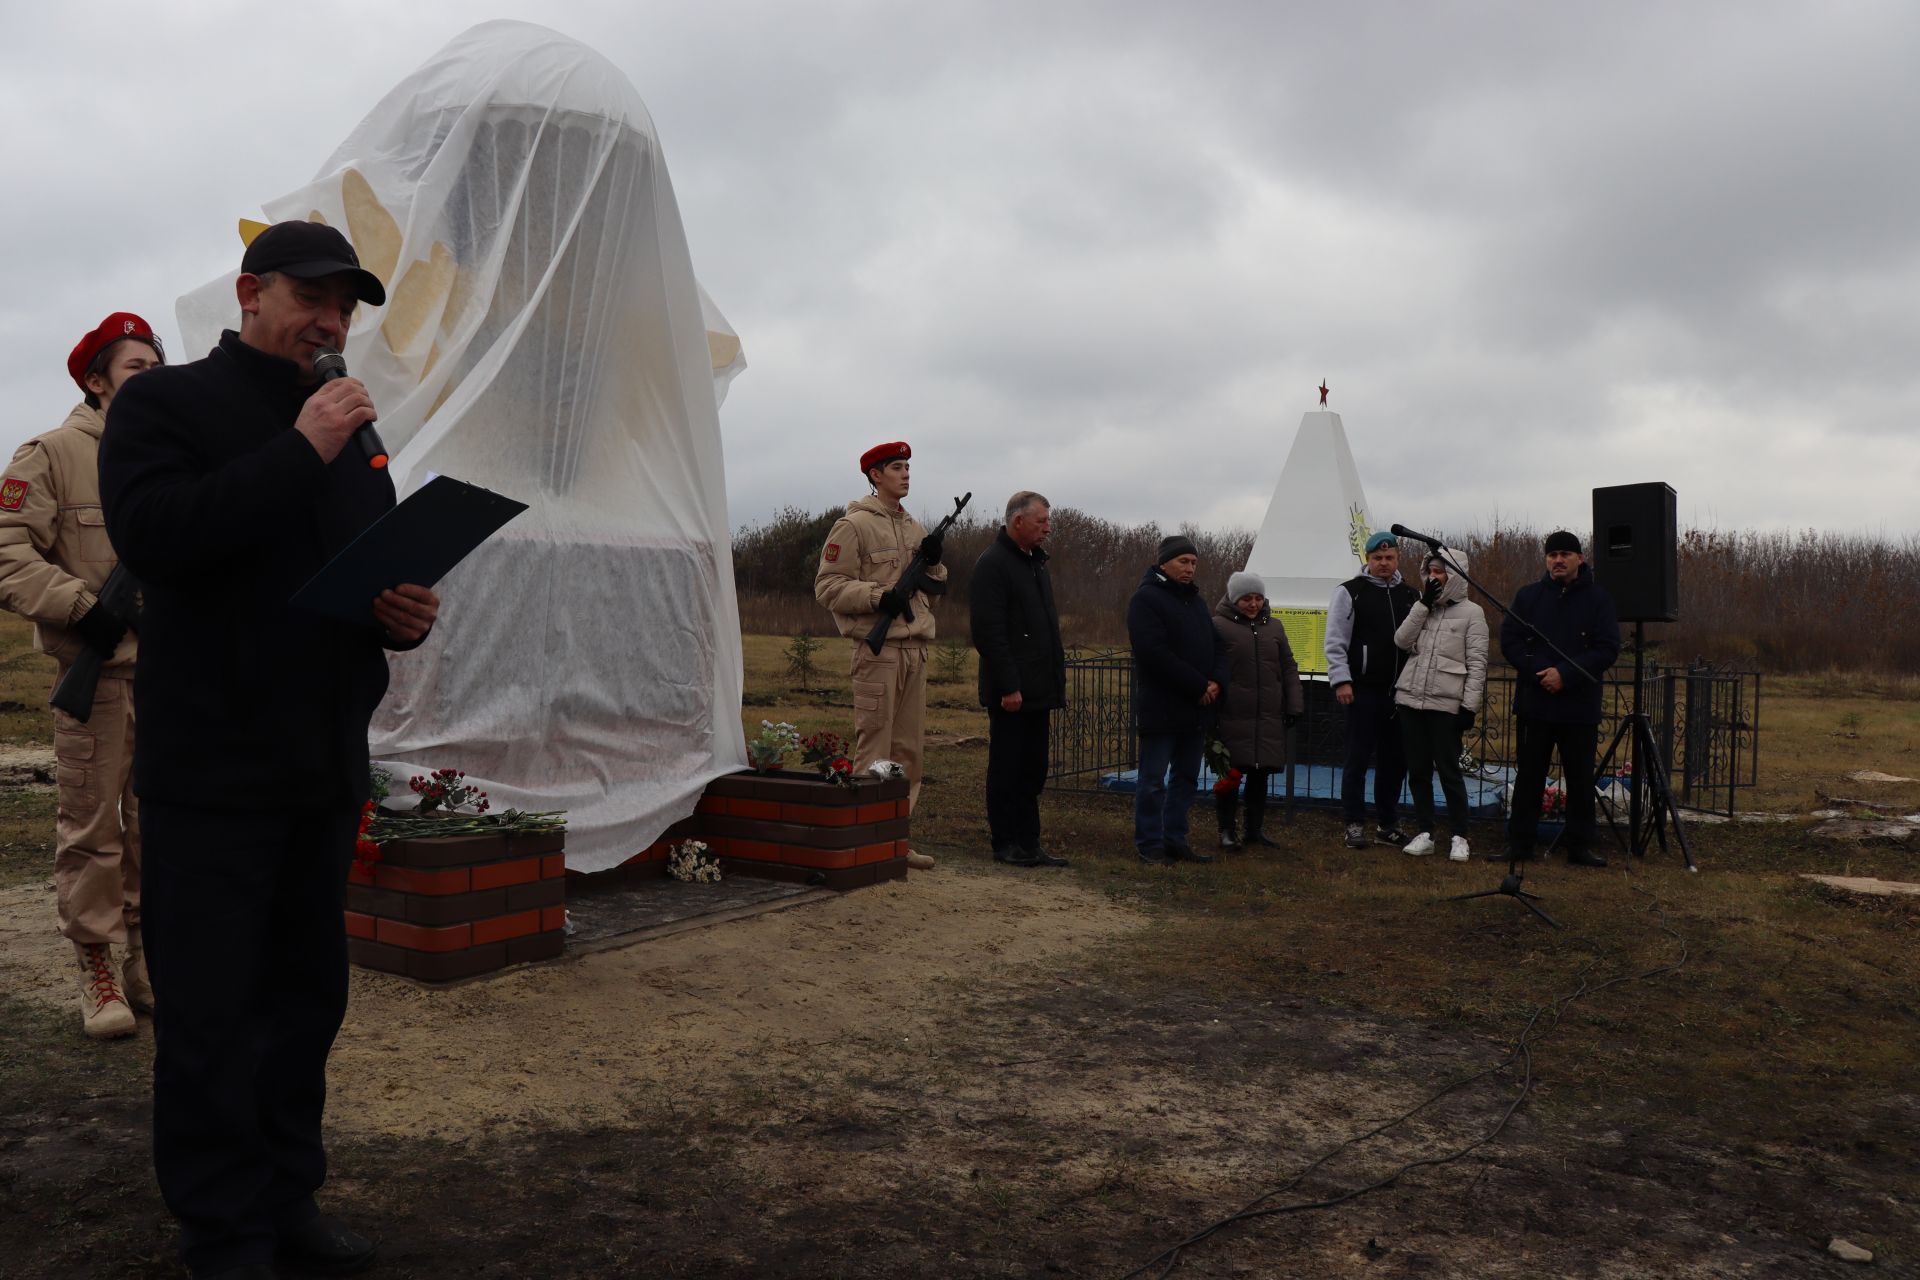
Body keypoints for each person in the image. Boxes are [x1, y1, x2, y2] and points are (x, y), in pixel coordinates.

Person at [99, 220, 441, 1280]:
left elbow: (358, 569)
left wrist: (400, 612)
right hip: (212, 772)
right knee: (211, 1011)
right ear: (250, 293)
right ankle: (223, 1227)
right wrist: (305, 443)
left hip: (320, 761)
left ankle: (287, 1196)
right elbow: (162, 537)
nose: (333, 320)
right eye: (312, 295)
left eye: (347, 305)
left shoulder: (359, 439)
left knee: (305, 1005)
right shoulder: (167, 405)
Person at [0, 313, 162, 1039]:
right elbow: (8, 551)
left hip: (168, 679)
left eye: (158, 366)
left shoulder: (175, 462)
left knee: (157, 829)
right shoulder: (51, 455)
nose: (151, 379)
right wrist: (79, 607)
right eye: (135, 368)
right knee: (92, 831)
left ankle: (145, 961)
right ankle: (96, 966)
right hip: (93, 679)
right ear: (97, 382)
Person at [813, 441, 946, 871]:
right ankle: (863, 840)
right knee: (876, 746)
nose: (905, 474)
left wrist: (934, 565)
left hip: (915, 650)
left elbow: (932, 588)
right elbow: (828, 587)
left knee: (908, 752)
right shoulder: (853, 526)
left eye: (907, 466)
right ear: (875, 475)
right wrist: (877, 597)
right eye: (896, 467)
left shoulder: (915, 528)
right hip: (880, 651)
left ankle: (894, 840)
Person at [1499, 530, 1621, 868]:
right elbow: (1510, 640)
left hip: (1578, 705)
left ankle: (1580, 846)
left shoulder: (1599, 600)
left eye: (1566, 554)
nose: (1558, 560)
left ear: (1579, 559)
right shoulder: (1528, 597)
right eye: (1552, 554)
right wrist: (1542, 672)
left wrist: (1565, 675)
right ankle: (1520, 843)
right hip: (1535, 702)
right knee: (1529, 776)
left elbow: (1607, 648)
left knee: (1580, 778)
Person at [970, 491, 1068, 868]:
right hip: (1011, 692)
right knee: (1007, 769)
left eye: (1048, 520)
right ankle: (1005, 842)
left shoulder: (1036, 564)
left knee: (1034, 769)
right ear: (1017, 522)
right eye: (1041, 521)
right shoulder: (993, 564)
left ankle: (1030, 842)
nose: (1048, 527)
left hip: (1039, 689)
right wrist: (1009, 685)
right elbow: (989, 633)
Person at [1128, 534, 1229, 865]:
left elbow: (1219, 647)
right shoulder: (1146, 600)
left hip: (1195, 709)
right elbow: (1154, 654)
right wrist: (1199, 684)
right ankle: (1149, 842)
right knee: (1154, 780)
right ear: (1163, 563)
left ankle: (1175, 838)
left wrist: (1216, 682)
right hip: (1162, 706)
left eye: (1194, 563)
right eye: (1183, 562)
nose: (1190, 568)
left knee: (1185, 778)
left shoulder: (1196, 603)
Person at [1325, 531, 1419, 849]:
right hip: (1361, 689)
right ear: (1367, 559)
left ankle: (1387, 823)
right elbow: (1336, 639)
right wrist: (1341, 679)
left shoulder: (1411, 595)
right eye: (1377, 558)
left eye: (1389, 558)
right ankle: (1353, 822)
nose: (1383, 563)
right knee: (1357, 759)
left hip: (1401, 691)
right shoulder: (1350, 592)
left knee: (1395, 761)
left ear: (1398, 559)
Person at [1392, 552, 1489, 862]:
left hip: (1446, 704)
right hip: (1411, 699)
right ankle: (1425, 832)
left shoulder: (1473, 613)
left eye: (1440, 571)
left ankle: (1460, 835)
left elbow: (1477, 663)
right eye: (1430, 571)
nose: (1434, 576)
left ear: (1455, 575)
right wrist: (1423, 605)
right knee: (1418, 770)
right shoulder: (1423, 607)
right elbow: (1401, 640)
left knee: (1448, 771)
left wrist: (1469, 707)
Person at [1210, 571, 1303, 851]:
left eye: (1258, 598)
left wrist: (1294, 704)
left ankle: (1254, 829)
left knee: (1260, 774)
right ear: (1234, 599)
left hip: (1267, 715)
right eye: (1247, 599)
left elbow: (1288, 666)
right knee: (1231, 776)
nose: (1253, 604)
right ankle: (1227, 830)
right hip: (1231, 713)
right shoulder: (1217, 626)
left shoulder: (1274, 627)